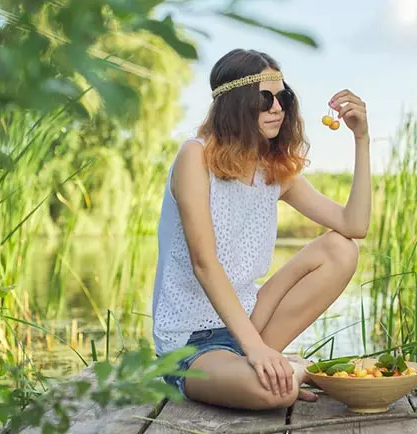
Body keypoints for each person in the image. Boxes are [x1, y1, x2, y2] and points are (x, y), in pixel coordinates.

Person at [151, 48, 371, 410]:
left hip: (253, 320)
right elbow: (204, 263)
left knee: (341, 248)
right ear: (235, 102)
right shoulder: (195, 156)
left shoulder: (272, 170)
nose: (277, 108)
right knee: (277, 393)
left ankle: (273, 365)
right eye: (264, 98)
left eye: (283, 97)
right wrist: (255, 349)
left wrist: (361, 139)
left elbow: (354, 225)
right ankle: (294, 369)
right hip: (192, 341)